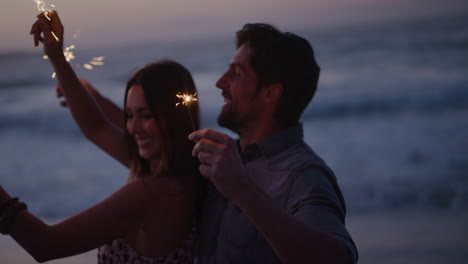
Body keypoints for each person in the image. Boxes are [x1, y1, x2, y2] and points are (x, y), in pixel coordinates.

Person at [0, 11, 203, 263]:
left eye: (146, 115)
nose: (133, 127)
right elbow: (97, 128)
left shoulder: (152, 193)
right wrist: (58, 60)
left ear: (172, 118)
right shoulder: (188, 175)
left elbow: (46, 244)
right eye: (130, 115)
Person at [188, 24, 358, 263]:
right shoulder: (223, 159)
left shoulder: (302, 175)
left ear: (270, 93)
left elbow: (338, 258)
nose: (219, 83)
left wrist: (242, 189)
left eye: (236, 74)